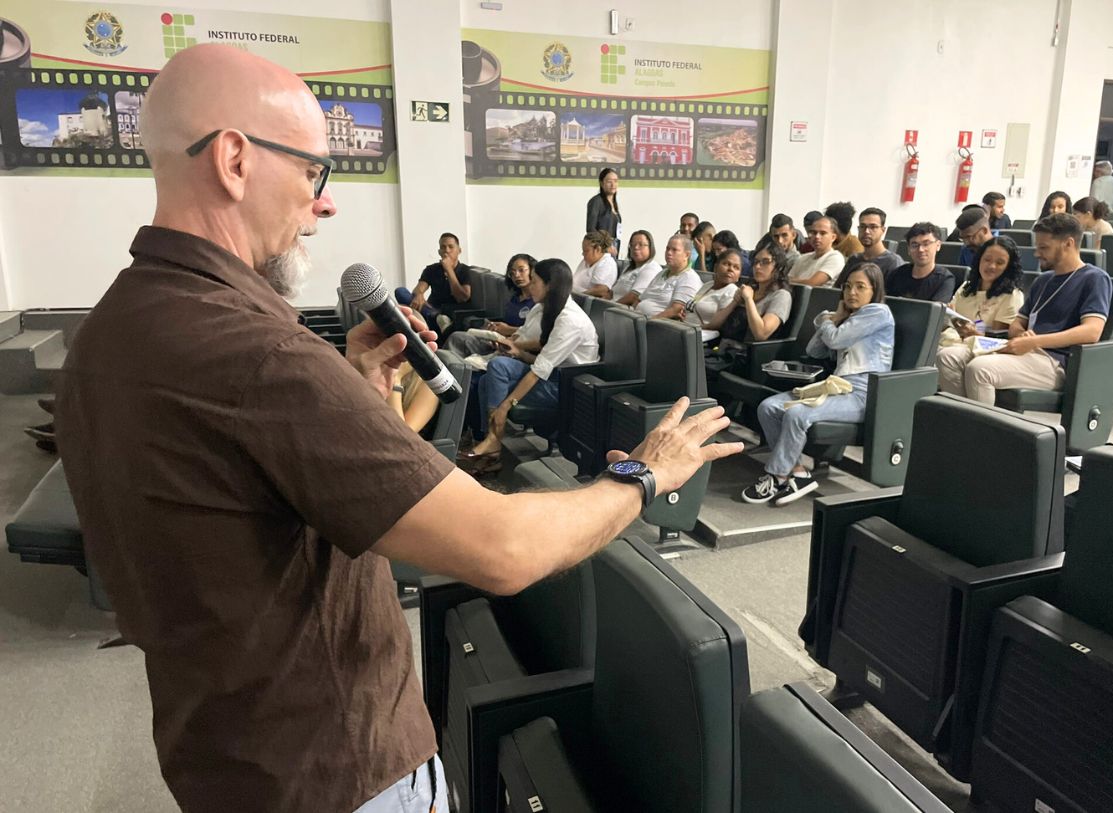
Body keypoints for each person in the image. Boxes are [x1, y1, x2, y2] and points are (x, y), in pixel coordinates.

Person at [52, 44, 741, 813]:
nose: (326, 202)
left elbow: (268, 514)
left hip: (224, 753)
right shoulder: (259, 354)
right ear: (236, 161)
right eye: (314, 171)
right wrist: (643, 473)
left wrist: (353, 395)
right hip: (340, 769)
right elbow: (502, 548)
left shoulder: (113, 329)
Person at [745, 263, 894, 506]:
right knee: (769, 407)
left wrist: (830, 320)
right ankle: (798, 473)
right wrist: (836, 319)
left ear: (874, 290)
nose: (851, 293)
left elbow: (836, 340)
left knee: (796, 414)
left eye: (860, 287)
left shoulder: (879, 312)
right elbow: (814, 350)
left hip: (862, 393)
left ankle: (777, 475)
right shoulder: (850, 317)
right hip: (835, 386)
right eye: (847, 287)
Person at [938, 213, 1111, 405]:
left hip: (1055, 360)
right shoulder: (1043, 280)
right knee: (947, 357)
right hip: (1023, 350)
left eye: (1044, 247)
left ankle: (981, 432)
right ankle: (963, 421)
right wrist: (1021, 334)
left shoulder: (1094, 278)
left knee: (980, 369)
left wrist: (1035, 341)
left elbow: (1092, 331)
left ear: (1068, 243)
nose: (1037, 253)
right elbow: (1017, 324)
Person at [462, 258, 601, 469]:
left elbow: (539, 371)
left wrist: (506, 406)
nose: (530, 285)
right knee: (487, 378)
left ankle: (493, 440)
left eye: (534, 281)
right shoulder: (546, 308)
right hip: (553, 375)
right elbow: (541, 362)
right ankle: (489, 441)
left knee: (498, 367)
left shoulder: (570, 320)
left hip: (568, 387)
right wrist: (517, 351)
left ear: (550, 285)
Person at [935, 236, 1025, 390]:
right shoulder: (966, 287)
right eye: (987, 260)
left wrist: (975, 331)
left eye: (1000, 263)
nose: (991, 266)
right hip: (957, 341)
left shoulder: (1011, 295)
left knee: (946, 356)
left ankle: (961, 407)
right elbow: (952, 315)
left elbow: (998, 336)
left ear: (1009, 266)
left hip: (984, 349)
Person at [447, 253, 535, 357]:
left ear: (532, 271)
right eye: (512, 272)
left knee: (458, 340)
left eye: (521, 270)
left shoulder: (538, 302)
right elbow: (506, 323)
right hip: (500, 340)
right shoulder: (514, 299)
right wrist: (495, 327)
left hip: (519, 347)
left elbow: (536, 333)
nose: (516, 275)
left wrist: (508, 330)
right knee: (457, 337)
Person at [707, 242, 794, 346]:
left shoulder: (781, 296)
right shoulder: (749, 289)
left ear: (778, 267)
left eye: (765, 262)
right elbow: (714, 325)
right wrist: (735, 301)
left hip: (744, 355)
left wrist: (748, 300)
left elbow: (761, 334)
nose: (757, 266)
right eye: (756, 262)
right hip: (721, 347)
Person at [394, 232, 472, 332]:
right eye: (443, 247)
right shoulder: (431, 269)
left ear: (459, 250)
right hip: (431, 309)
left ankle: (437, 318)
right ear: (439, 251)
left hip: (451, 311)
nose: (446, 251)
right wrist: (419, 294)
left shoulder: (465, 270)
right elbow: (419, 289)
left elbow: (462, 298)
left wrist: (448, 269)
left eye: (451, 247)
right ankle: (436, 317)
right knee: (400, 291)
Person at [635, 233, 703, 319]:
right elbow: (639, 300)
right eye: (667, 249)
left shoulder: (689, 278)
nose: (669, 253)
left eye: (674, 250)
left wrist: (646, 321)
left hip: (656, 326)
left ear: (687, 255)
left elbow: (675, 310)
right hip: (637, 321)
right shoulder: (662, 273)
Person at [682, 249, 743, 342]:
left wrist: (694, 329)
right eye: (726, 264)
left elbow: (715, 325)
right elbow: (694, 304)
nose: (730, 269)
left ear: (738, 276)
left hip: (701, 337)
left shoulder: (731, 290)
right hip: (684, 328)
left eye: (736, 267)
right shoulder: (709, 285)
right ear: (715, 267)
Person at [886, 223, 956, 302]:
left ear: (938, 245)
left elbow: (935, 311)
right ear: (908, 249)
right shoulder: (897, 274)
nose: (921, 250)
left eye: (926, 244)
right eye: (915, 245)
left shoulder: (945, 279)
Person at [840, 207, 903, 283]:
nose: (866, 231)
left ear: (883, 230)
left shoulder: (893, 262)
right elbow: (838, 290)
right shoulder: (854, 259)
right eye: (862, 226)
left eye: (873, 227)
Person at [788, 215, 844, 287]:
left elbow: (812, 284)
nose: (817, 237)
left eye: (823, 233)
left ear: (833, 237)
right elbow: (785, 281)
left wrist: (793, 281)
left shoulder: (835, 258)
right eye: (814, 233)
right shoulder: (802, 258)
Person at [610, 229, 662, 306]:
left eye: (641, 244)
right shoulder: (629, 267)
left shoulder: (651, 268)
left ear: (650, 247)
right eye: (632, 245)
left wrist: (609, 306)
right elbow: (614, 291)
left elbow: (633, 297)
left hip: (622, 309)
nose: (636, 248)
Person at [585, 167, 621, 255]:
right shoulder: (596, 201)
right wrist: (605, 246)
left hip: (614, 246)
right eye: (609, 181)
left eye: (615, 181)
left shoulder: (614, 203)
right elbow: (590, 229)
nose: (613, 184)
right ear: (601, 183)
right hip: (601, 248)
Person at [573, 230, 618, 296]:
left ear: (597, 249)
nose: (583, 254)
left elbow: (600, 290)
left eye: (586, 251)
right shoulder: (587, 261)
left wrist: (576, 295)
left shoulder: (607, 264)